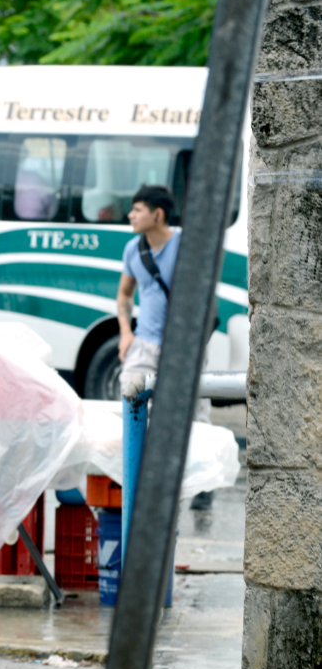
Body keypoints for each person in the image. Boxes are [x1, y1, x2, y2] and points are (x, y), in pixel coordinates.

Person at [115, 184, 215, 509]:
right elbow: (124, 295)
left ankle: (204, 484)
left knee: (195, 416)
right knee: (130, 404)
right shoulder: (134, 249)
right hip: (144, 345)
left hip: (183, 349)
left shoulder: (186, 246)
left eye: (137, 209)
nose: (130, 215)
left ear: (157, 215)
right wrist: (125, 333)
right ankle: (136, 477)